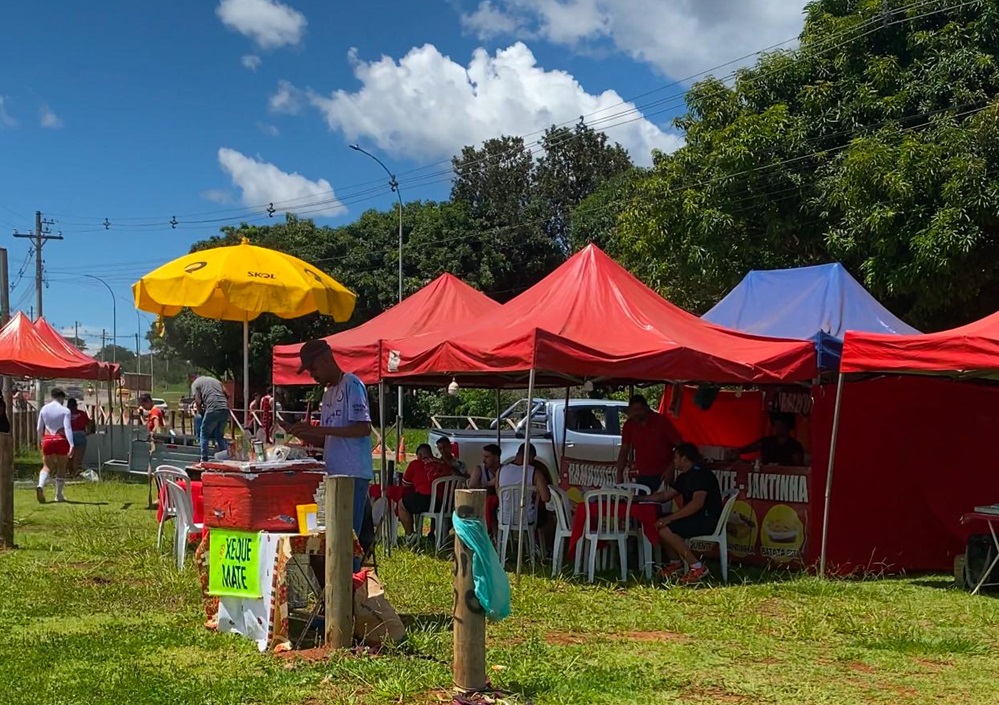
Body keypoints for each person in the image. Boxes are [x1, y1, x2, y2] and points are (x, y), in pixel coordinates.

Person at [290, 339, 373, 572]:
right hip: (333, 474)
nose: (312, 375)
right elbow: (328, 438)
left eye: (313, 368)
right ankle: (337, 592)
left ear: (326, 360)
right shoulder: (327, 394)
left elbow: (362, 428)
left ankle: (352, 593)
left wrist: (319, 430)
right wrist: (305, 433)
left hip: (353, 475)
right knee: (334, 538)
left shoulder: (352, 384)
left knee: (349, 538)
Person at [646, 443, 723, 584]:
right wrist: (639, 498)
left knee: (665, 528)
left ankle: (698, 567)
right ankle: (676, 564)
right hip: (695, 518)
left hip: (707, 520)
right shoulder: (684, 476)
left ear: (685, 458)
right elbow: (664, 496)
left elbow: (697, 504)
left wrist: (669, 519)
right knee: (658, 522)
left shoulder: (701, 475)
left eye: (676, 457)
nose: (673, 461)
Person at [616, 394, 682, 492]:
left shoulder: (661, 421)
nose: (636, 413)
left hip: (663, 473)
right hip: (642, 473)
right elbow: (624, 450)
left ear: (646, 408)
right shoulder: (629, 425)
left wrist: (671, 468)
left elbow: (681, 446)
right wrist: (619, 473)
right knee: (643, 504)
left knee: (661, 504)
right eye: (633, 411)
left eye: (638, 410)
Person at [398, 443, 451, 544]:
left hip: (427, 500)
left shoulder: (416, 463)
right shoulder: (443, 464)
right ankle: (437, 535)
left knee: (402, 504)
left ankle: (410, 535)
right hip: (446, 502)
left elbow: (405, 484)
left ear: (420, 455)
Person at [496, 442, 551, 528]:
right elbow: (546, 497)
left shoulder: (500, 471)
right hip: (526, 518)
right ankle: (539, 540)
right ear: (531, 457)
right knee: (547, 515)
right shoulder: (535, 472)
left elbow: (498, 493)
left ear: (517, 454)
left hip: (504, 518)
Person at [36, 387, 74, 504]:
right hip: (60, 439)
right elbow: (67, 427)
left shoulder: (44, 409)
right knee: (61, 467)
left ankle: (40, 485)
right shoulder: (65, 410)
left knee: (46, 466)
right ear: (61, 397)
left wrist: (41, 440)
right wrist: (71, 444)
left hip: (47, 439)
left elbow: (39, 428)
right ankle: (58, 495)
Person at [739, 412, 805, 466]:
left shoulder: (795, 445)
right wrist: (736, 451)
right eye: (776, 426)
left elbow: (798, 466)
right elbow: (750, 448)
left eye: (781, 426)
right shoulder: (767, 441)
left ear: (787, 426)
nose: (778, 429)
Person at [191, 375, 229, 461]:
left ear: (192, 378)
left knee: (204, 433)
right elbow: (228, 394)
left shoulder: (195, 384)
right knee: (219, 435)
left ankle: (204, 457)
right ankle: (225, 456)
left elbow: (198, 401)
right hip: (224, 408)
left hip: (213, 408)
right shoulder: (216, 381)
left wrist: (201, 412)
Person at [67, 398, 90, 477]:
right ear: (76, 406)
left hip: (69, 437)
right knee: (78, 459)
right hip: (80, 435)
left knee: (69, 457)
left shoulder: (65, 415)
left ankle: (70, 473)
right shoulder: (82, 414)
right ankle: (76, 473)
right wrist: (86, 433)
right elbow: (89, 424)